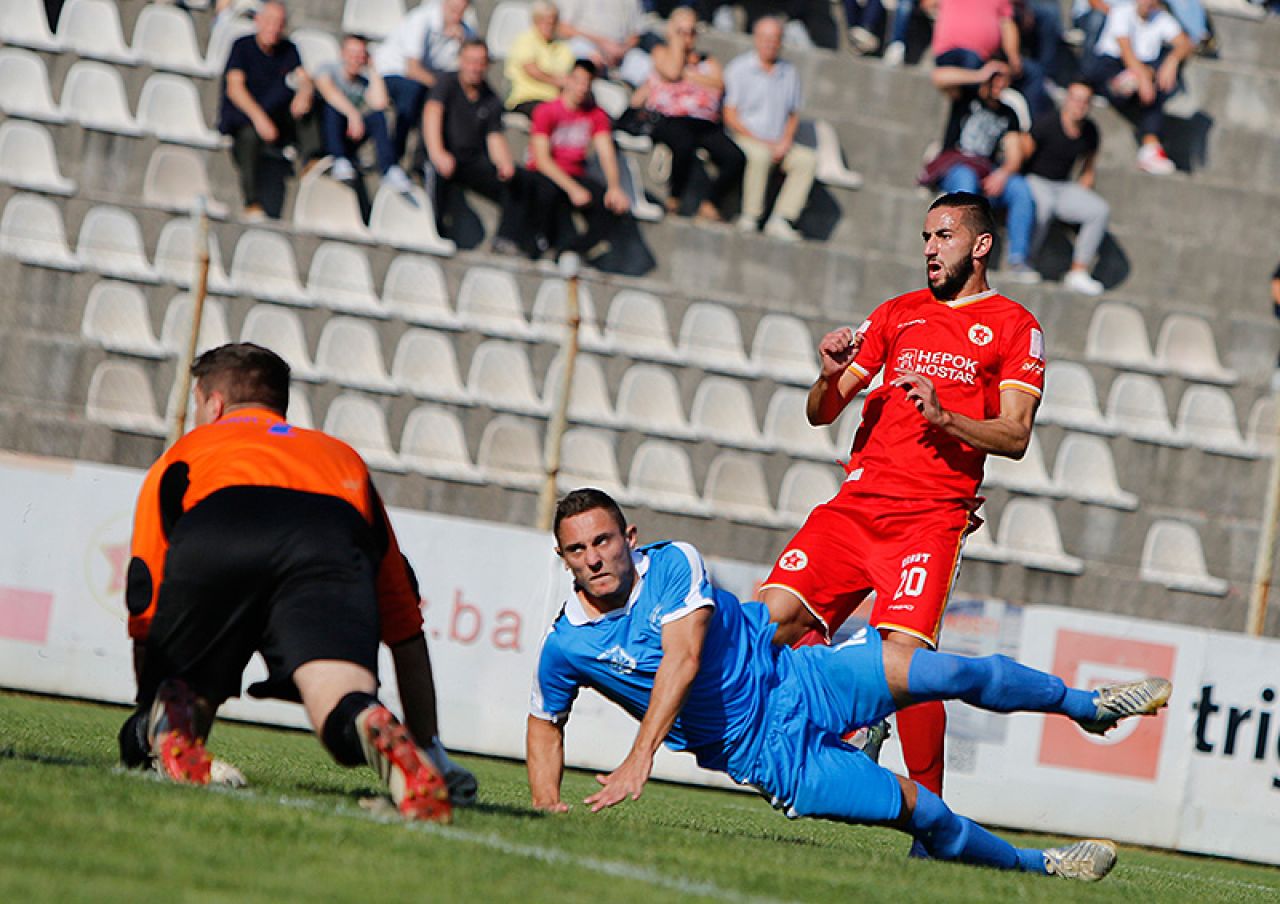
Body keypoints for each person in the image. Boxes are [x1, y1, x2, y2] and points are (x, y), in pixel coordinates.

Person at [527, 488, 1171, 881]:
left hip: (802, 676)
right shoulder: (566, 645)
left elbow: (684, 658)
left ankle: (1086, 706)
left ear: (628, 538)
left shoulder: (671, 563)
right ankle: (1044, 867)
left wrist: (639, 759)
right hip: (773, 756)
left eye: (604, 540)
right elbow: (543, 719)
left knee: (953, 670)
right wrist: (545, 804)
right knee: (930, 817)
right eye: (578, 550)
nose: (594, 557)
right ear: (564, 559)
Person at [756, 193, 1046, 852]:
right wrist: (827, 375)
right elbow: (822, 412)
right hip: (854, 507)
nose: (929, 248)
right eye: (924, 237)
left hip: (929, 518)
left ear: (980, 245)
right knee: (766, 622)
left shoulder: (1013, 325)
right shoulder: (896, 313)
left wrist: (947, 419)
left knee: (910, 668)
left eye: (943, 235)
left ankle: (932, 825)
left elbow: (1016, 432)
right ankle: (839, 731)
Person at [115, 343, 472, 819]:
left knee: (182, 697)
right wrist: (433, 754)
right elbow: (404, 622)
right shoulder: (341, 458)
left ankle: (172, 726)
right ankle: (374, 725)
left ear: (213, 404)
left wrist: (148, 700)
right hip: (324, 532)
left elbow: (145, 591)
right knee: (343, 701)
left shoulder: (184, 454)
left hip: (219, 519)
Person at [927, 61, 1039, 283]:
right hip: (955, 167)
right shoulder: (965, 97)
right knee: (966, 183)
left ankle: (1018, 258)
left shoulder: (1008, 113)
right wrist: (980, 74)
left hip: (987, 171)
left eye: (1003, 78)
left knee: (1020, 189)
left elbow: (1015, 155)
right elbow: (938, 77)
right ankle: (960, 254)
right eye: (995, 77)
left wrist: (1003, 174)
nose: (999, 83)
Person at [425, 40, 530, 253]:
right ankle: (434, 231)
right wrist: (438, 153)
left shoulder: (490, 97)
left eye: (480, 62)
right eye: (471, 61)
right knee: (437, 174)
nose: (475, 67)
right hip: (441, 156)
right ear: (461, 61)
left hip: (470, 160)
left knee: (518, 181)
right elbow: (432, 115)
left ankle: (505, 239)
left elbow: (494, 136)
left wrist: (505, 163)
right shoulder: (446, 84)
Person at [216, 1, 315, 221]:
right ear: (258, 22)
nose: (273, 27)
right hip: (245, 120)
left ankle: (312, 159)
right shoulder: (242, 47)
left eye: (279, 23)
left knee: (313, 103)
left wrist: (305, 93)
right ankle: (251, 202)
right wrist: (259, 118)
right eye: (269, 21)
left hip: (276, 118)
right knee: (249, 138)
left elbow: (303, 77)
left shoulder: (289, 50)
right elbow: (235, 88)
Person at [646, 8, 745, 222]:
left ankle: (710, 203)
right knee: (684, 144)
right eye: (682, 31)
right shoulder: (661, 52)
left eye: (691, 31)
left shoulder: (708, 60)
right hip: (670, 119)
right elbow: (672, 72)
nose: (687, 36)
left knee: (735, 157)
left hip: (704, 122)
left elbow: (719, 85)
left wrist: (687, 75)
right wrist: (678, 45)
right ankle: (674, 198)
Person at [525, 60, 631, 257]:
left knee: (611, 208)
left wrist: (614, 187)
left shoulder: (596, 115)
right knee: (546, 191)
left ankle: (571, 252)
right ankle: (537, 245)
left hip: (575, 172)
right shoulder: (546, 111)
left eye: (587, 82)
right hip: (546, 173)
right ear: (567, 80)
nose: (581, 87)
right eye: (578, 81)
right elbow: (541, 160)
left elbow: (606, 151)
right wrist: (572, 188)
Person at [724, 16, 816, 241]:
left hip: (778, 141)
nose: (770, 43)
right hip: (745, 137)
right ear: (756, 39)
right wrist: (759, 140)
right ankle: (751, 215)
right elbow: (730, 115)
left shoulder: (789, 72)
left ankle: (782, 219)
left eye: (775, 38)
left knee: (807, 160)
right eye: (765, 38)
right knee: (760, 156)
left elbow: (793, 114)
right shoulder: (739, 68)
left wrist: (785, 141)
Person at [1081, 0, 1192, 175]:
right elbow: (1125, 50)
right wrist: (1143, 76)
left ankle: (1150, 146)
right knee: (1147, 83)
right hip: (1111, 67)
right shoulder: (1121, 13)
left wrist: (1172, 60)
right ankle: (1151, 144)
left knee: (1163, 80)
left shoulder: (1161, 18)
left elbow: (1185, 43)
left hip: (1141, 73)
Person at [1024, 80, 1110, 296]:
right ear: (1067, 100)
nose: (1079, 105)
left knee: (1099, 210)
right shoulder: (1046, 123)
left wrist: (1083, 190)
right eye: (1075, 99)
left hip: (1063, 185)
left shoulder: (1090, 131)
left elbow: (1088, 166)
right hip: (1035, 179)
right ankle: (1027, 261)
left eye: (1085, 101)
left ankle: (1078, 271)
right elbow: (1024, 153)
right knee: (1044, 207)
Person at [374, 0, 477, 168]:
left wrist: (461, 45)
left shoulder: (465, 32)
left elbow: (465, 70)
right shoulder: (421, 19)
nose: (458, 12)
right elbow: (412, 69)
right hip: (394, 73)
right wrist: (444, 88)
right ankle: (395, 154)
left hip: (429, 81)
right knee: (416, 94)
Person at [313, 34, 413, 192]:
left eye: (360, 55)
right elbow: (329, 93)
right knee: (333, 109)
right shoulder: (328, 69)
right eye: (352, 54)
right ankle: (338, 159)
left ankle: (389, 168)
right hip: (324, 133)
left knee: (378, 117)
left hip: (351, 133)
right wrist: (353, 114)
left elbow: (380, 103)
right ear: (343, 54)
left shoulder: (364, 81)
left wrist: (373, 70)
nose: (356, 59)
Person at [556, 0, 652, 87]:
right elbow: (563, 28)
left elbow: (637, 34)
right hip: (587, 44)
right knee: (586, 53)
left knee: (649, 69)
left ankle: (633, 103)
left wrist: (621, 51)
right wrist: (603, 44)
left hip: (621, 52)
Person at [505, 1, 576, 118]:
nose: (549, 23)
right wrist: (559, 81)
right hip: (528, 99)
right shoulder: (525, 40)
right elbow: (532, 71)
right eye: (544, 20)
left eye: (553, 20)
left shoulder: (564, 47)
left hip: (558, 102)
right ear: (535, 20)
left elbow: (572, 75)